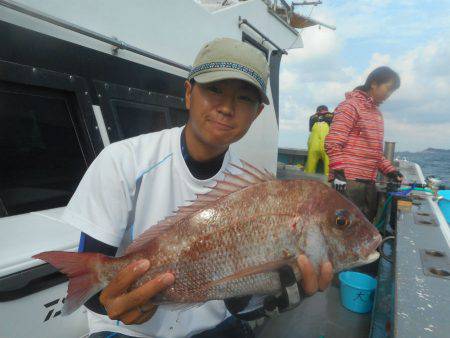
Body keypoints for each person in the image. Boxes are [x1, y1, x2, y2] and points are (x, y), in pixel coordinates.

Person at [62, 38, 333, 338]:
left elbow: (237, 302)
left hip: (216, 326)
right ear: (189, 93)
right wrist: (112, 304)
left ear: (256, 114)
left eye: (244, 98)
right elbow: (92, 287)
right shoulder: (123, 161)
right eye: (214, 89)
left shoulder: (251, 189)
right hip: (127, 332)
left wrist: (270, 299)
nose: (227, 107)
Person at [325, 66, 403, 222]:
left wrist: (391, 171)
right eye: (387, 89)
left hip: (368, 184)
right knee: (345, 230)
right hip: (349, 183)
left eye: (392, 92)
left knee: (363, 228)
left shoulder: (376, 114)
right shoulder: (350, 106)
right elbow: (333, 142)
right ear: (374, 83)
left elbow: (375, 153)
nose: (388, 95)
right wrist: (339, 175)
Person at [304, 105, 333, 176]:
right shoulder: (332, 116)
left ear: (317, 111)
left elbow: (311, 130)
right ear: (327, 110)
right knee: (328, 169)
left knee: (310, 168)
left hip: (313, 145)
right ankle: (328, 182)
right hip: (327, 145)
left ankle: (307, 181)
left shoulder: (312, 117)